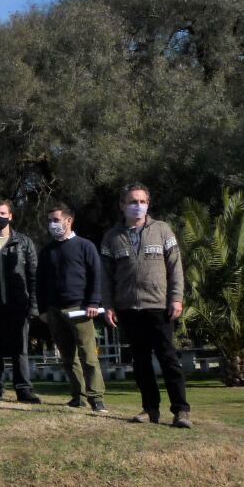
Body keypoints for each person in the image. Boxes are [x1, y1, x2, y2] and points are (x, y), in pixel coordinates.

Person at [101, 183, 191, 427]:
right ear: (122, 206)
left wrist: (176, 298)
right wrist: (108, 306)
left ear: (148, 204)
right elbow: (106, 277)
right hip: (128, 308)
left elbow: (175, 268)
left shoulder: (162, 230)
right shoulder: (112, 237)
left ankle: (181, 411)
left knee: (168, 359)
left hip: (159, 306)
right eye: (132, 202)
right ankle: (150, 409)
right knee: (140, 362)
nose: (137, 206)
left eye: (142, 201)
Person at [37, 203, 106, 412]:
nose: (52, 224)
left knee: (88, 356)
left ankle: (97, 398)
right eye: (50, 220)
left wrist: (93, 303)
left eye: (56, 220)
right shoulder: (47, 251)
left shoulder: (85, 246)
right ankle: (78, 396)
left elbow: (96, 276)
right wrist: (43, 310)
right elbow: (40, 282)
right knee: (67, 357)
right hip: (54, 311)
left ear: (69, 220)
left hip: (81, 309)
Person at [0, 200, 41, 404]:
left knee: (20, 350)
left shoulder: (24, 242)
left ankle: (23, 390)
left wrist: (34, 305)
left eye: (2, 213)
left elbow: (33, 276)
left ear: (11, 216)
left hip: (19, 305)